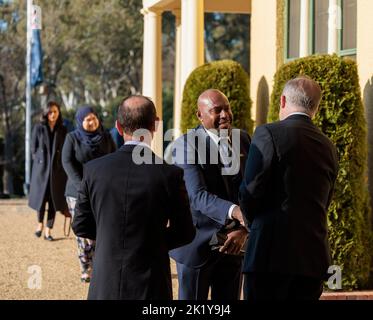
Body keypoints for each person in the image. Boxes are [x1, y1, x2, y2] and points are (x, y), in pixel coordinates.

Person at [72, 95, 195, 300]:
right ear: (155, 125)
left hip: (105, 279)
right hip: (151, 281)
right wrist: (150, 240)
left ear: (119, 127)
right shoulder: (170, 174)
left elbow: (81, 225)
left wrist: (110, 235)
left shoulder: (93, 170)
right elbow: (185, 231)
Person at [239, 77, 339, 301]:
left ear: (282, 101)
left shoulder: (267, 133)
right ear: (316, 107)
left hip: (269, 254)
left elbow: (251, 191)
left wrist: (252, 224)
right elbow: (325, 200)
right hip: (312, 258)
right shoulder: (329, 146)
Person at [169, 89, 250, 300]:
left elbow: (253, 189)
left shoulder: (242, 139)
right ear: (200, 115)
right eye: (216, 110)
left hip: (233, 247)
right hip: (198, 246)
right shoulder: (185, 145)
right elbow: (197, 196)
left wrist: (243, 230)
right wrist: (236, 212)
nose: (224, 114)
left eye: (227, 108)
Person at [62, 106, 116, 283]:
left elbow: (115, 159)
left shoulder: (106, 137)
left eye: (94, 118)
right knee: (84, 230)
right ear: (80, 121)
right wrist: (82, 186)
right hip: (77, 192)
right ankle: (86, 267)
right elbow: (67, 162)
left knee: (102, 229)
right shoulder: (72, 138)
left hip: (102, 190)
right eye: (87, 119)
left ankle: (101, 266)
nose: (91, 122)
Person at [29, 101, 69, 241]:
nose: (53, 114)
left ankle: (48, 230)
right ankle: (39, 224)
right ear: (46, 113)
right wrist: (40, 161)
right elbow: (33, 148)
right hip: (41, 170)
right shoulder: (39, 128)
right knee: (41, 199)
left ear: (59, 113)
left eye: (55, 112)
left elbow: (66, 149)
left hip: (57, 171)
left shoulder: (63, 129)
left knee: (54, 200)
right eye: (50, 112)